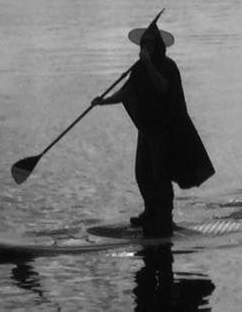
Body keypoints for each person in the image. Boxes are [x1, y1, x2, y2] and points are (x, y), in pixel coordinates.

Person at [91, 18, 214, 237]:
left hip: (165, 131)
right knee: (143, 173)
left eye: (148, 43)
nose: (144, 47)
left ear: (157, 45)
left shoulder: (168, 66)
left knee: (161, 175)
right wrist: (104, 101)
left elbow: (163, 88)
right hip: (147, 129)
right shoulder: (138, 69)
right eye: (143, 43)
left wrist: (148, 64)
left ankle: (164, 217)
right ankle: (150, 211)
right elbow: (126, 92)